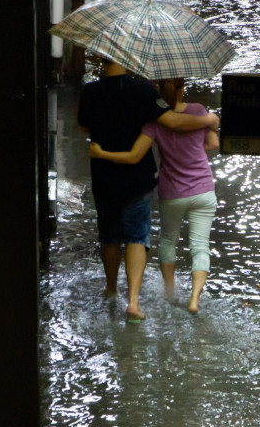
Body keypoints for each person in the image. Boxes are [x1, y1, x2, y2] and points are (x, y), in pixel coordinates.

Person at [78, 59, 218, 322]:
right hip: (140, 179)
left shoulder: (90, 91)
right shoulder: (144, 91)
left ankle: (110, 290)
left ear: (101, 59)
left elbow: (84, 127)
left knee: (109, 237)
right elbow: (174, 122)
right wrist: (209, 118)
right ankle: (134, 302)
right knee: (136, 237)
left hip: (104, 176)